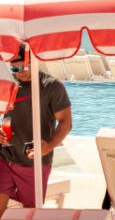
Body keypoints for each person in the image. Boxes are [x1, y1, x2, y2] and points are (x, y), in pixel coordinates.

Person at [0, 44, 72, 215]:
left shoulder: (52, 87)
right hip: (4, 157)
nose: (20, 71)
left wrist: (48, 146)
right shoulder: (6, 85)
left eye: (25, 66)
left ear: (35, 61)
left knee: (30, 213)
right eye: (15, 67)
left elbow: (65, 122)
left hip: (34, 163)